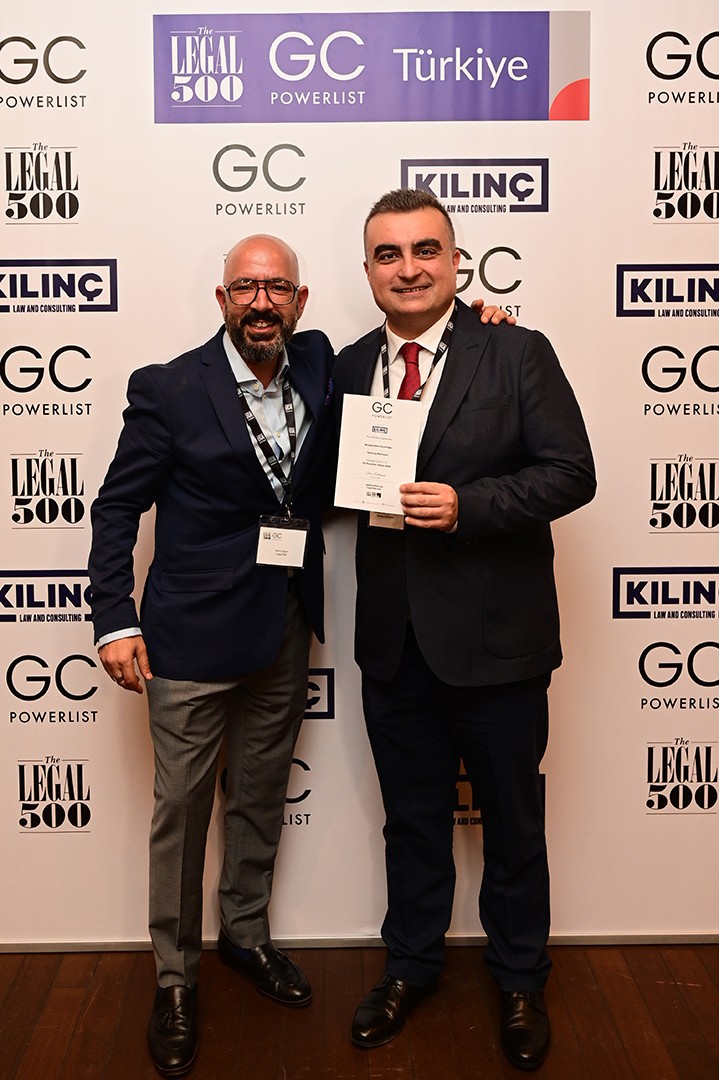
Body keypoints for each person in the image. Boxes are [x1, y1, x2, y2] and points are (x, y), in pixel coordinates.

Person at [88, 231, 511, 1077]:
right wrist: (114, 619)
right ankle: (175, 978)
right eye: (245, 288)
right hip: (188, 637)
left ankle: (244, 935)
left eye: (276, 288)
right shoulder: (168, 387)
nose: (261, 302)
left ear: (300, 302)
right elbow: (115, 508)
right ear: (222, 299)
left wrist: (477, 324)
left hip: (283, 626)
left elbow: (416, 344)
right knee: (182, 813)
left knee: (257, 797)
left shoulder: (320, 363)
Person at [332, 190, 596, 1071]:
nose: (407, 268)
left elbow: (571, 472)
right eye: (388, 254)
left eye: (425, 251)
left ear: (455, 262)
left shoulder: (515, 349)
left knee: (512, 826)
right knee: (411, 823)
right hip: (393, 644)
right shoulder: (348, 366)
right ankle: (409, 966)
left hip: (496, 643)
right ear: (367, 270)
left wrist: (467, 506)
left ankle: (519, 978)